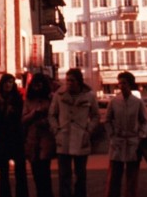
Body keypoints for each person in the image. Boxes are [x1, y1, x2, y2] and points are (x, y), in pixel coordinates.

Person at [49, 68, 100, 197]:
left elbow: (95, 115)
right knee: (64, 174)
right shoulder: (59, 95)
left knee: (80, 174)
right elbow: (52, 114)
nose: (69, 83)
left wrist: (89, 130)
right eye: (67, 80)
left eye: (72, 80)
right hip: (63, 137)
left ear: (79, 82)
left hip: (81, 137)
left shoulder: (89, 96)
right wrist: (56, 130)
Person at [103, 71, 147, 197]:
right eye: (120, 83)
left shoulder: (137, 102)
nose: (121, 86)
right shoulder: (114, 102)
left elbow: (144, 121)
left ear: (130, 84)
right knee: (114, 175)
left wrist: (141, 135)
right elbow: (107, 120)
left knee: (132, 176)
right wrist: (112, 135)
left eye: (124, 83)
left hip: (133, 142)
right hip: (117, 142)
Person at [0, 74, 29, 197]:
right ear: (2, 84)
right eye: (6, 82)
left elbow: (21, 118)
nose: (8, 85)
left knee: (20, 171)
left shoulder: (18, 99)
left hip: (16, 137)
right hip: (2, 138)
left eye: (11, 82)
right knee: (3, 172)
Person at [22, 73, 55, 197]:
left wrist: (46, 120)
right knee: (36, 171)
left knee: (45, 169)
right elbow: (23, 119)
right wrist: (33, 114)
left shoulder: (50, 99)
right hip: (32, 138)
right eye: (35, 85)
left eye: (40, 85)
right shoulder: (29, 100)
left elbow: (54, 116)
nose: (37, 88)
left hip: (46, 137)